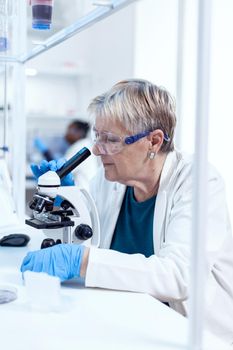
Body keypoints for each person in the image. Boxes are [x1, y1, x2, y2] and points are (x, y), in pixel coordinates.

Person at [21, 79, 233, 344]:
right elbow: (89, 244)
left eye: (110, 139)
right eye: (97, 136)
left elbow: (180, 276)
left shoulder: (198, 181)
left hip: (190, 334)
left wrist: (82, 260)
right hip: (130, 320)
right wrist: (69, 202)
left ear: (153, 141)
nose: (98, 150)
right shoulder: (109, 181)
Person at [33, 120, 99, 190]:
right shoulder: (83, 144)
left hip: (81, 192)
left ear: (79, 132)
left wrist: (45, 151)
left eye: (69, 130)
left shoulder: (80, 146)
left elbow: (61, 170)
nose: (66, 134)